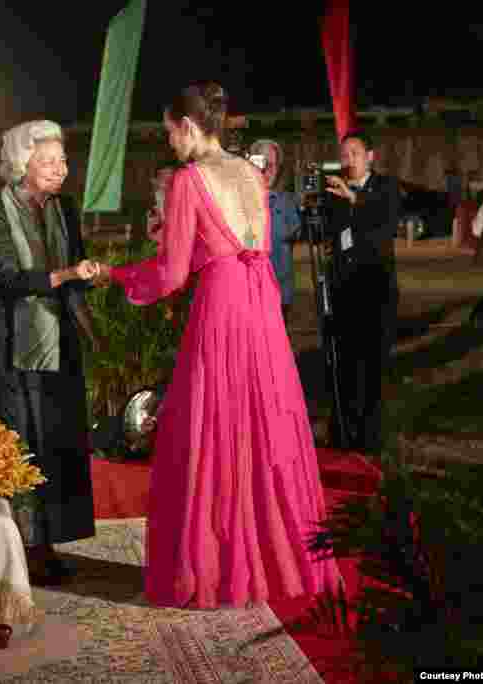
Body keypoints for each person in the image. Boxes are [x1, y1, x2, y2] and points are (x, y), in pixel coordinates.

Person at [89, 83, 342, 608]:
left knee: (212, 427)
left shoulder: (188, 180)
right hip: (262, 305)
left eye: (168, 132)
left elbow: (173, 272)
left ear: (187, 125)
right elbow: (261, 246)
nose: (169, 143)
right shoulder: (253, 173)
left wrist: (114, 274)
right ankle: (275, 562)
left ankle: (218, 568)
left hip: (223, 305)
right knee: (265, 424)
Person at [0, 120, 97, 585]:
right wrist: (65, 275)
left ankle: (48, 542)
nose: (60, 170)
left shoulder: (64, 207)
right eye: (48, 162)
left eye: (63, 160)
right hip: (12, 340)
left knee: (57, 439)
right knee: (21, 441)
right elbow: (4, 278)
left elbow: (76, 266)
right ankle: (20, 547)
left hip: (59, 335)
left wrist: (88, 273)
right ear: (20, 164)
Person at [323, 130, 401, 453]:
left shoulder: (385, 187)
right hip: (343, 288)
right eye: (344, 154)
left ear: (370, 156)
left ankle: (370, 436)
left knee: (372, 365)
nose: (348, 159)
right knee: (344, 364)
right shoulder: (334, 190)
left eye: (354, 152)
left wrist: (354, 198)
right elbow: (328, 233)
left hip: (375, 289)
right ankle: (343, 431)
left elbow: (386, 221)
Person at [248, 138, 301, 323]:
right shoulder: (239, 200)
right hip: (248, 292)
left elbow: (293, 233)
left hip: (279, 289)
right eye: (264, 163)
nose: (269, 170)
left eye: (274, 164)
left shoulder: (286, 201)